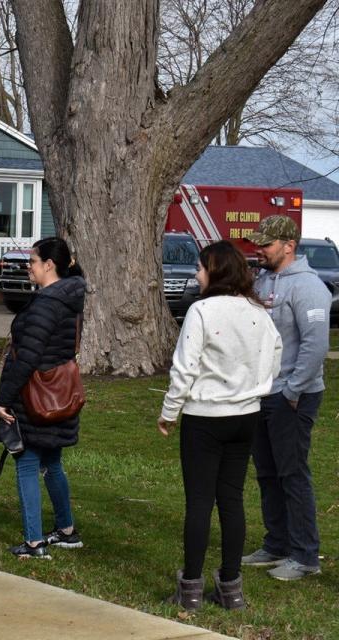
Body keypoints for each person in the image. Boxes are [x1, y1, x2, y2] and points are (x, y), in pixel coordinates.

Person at [158, 241, 282, 610]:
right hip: (246, 417)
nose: (196, 274)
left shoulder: (202, 310)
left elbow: (184, 367)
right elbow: (275, 355)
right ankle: (231, 588)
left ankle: (191, 589)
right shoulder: (259, 312)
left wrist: (169, 411)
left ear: (216, 271)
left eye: (200, 268)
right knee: (231, 499)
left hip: (206, 417)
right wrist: (256, 388)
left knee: (199, 501)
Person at [242, 216, 331, 581]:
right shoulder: (263, 279)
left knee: (292, 473)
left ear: (288, 245)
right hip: (264, 393)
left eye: (266, 244)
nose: (259, 249)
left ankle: (306, 555)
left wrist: (293, 390)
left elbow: (316, 345)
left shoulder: (308, 287)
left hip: (293, 396)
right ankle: (276, 543)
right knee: (267, 472)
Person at [0, 237, 85, 559]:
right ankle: (66, 530)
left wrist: (3, 401)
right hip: (61, 392)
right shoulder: (69, 298)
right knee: (52, 463)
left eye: (32, 261)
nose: (28, 267)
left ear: (49, 264)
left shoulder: (47, 304)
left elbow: (27, 358)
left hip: (36, 395)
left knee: (28, 463)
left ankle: (33, 542)